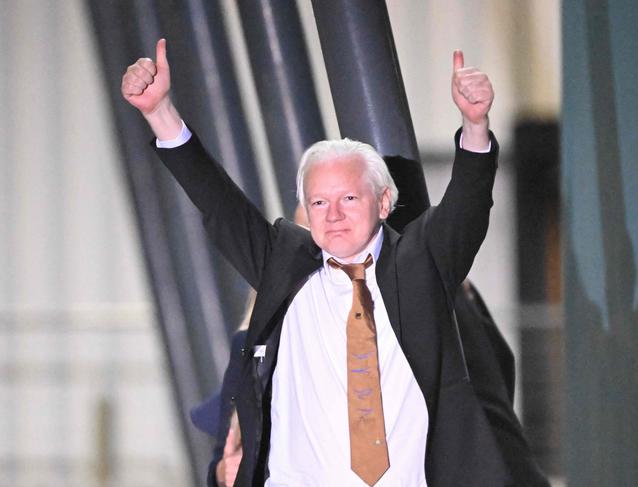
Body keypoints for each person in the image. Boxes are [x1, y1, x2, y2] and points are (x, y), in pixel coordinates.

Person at [122, 39, 546, 486]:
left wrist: (474, 124)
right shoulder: (282, 265)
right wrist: (160, 112)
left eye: (348, 198)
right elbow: (218, 203)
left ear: (384, 202)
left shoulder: (419, 264)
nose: (333, 215)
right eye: (319, 202)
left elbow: (467, 207)